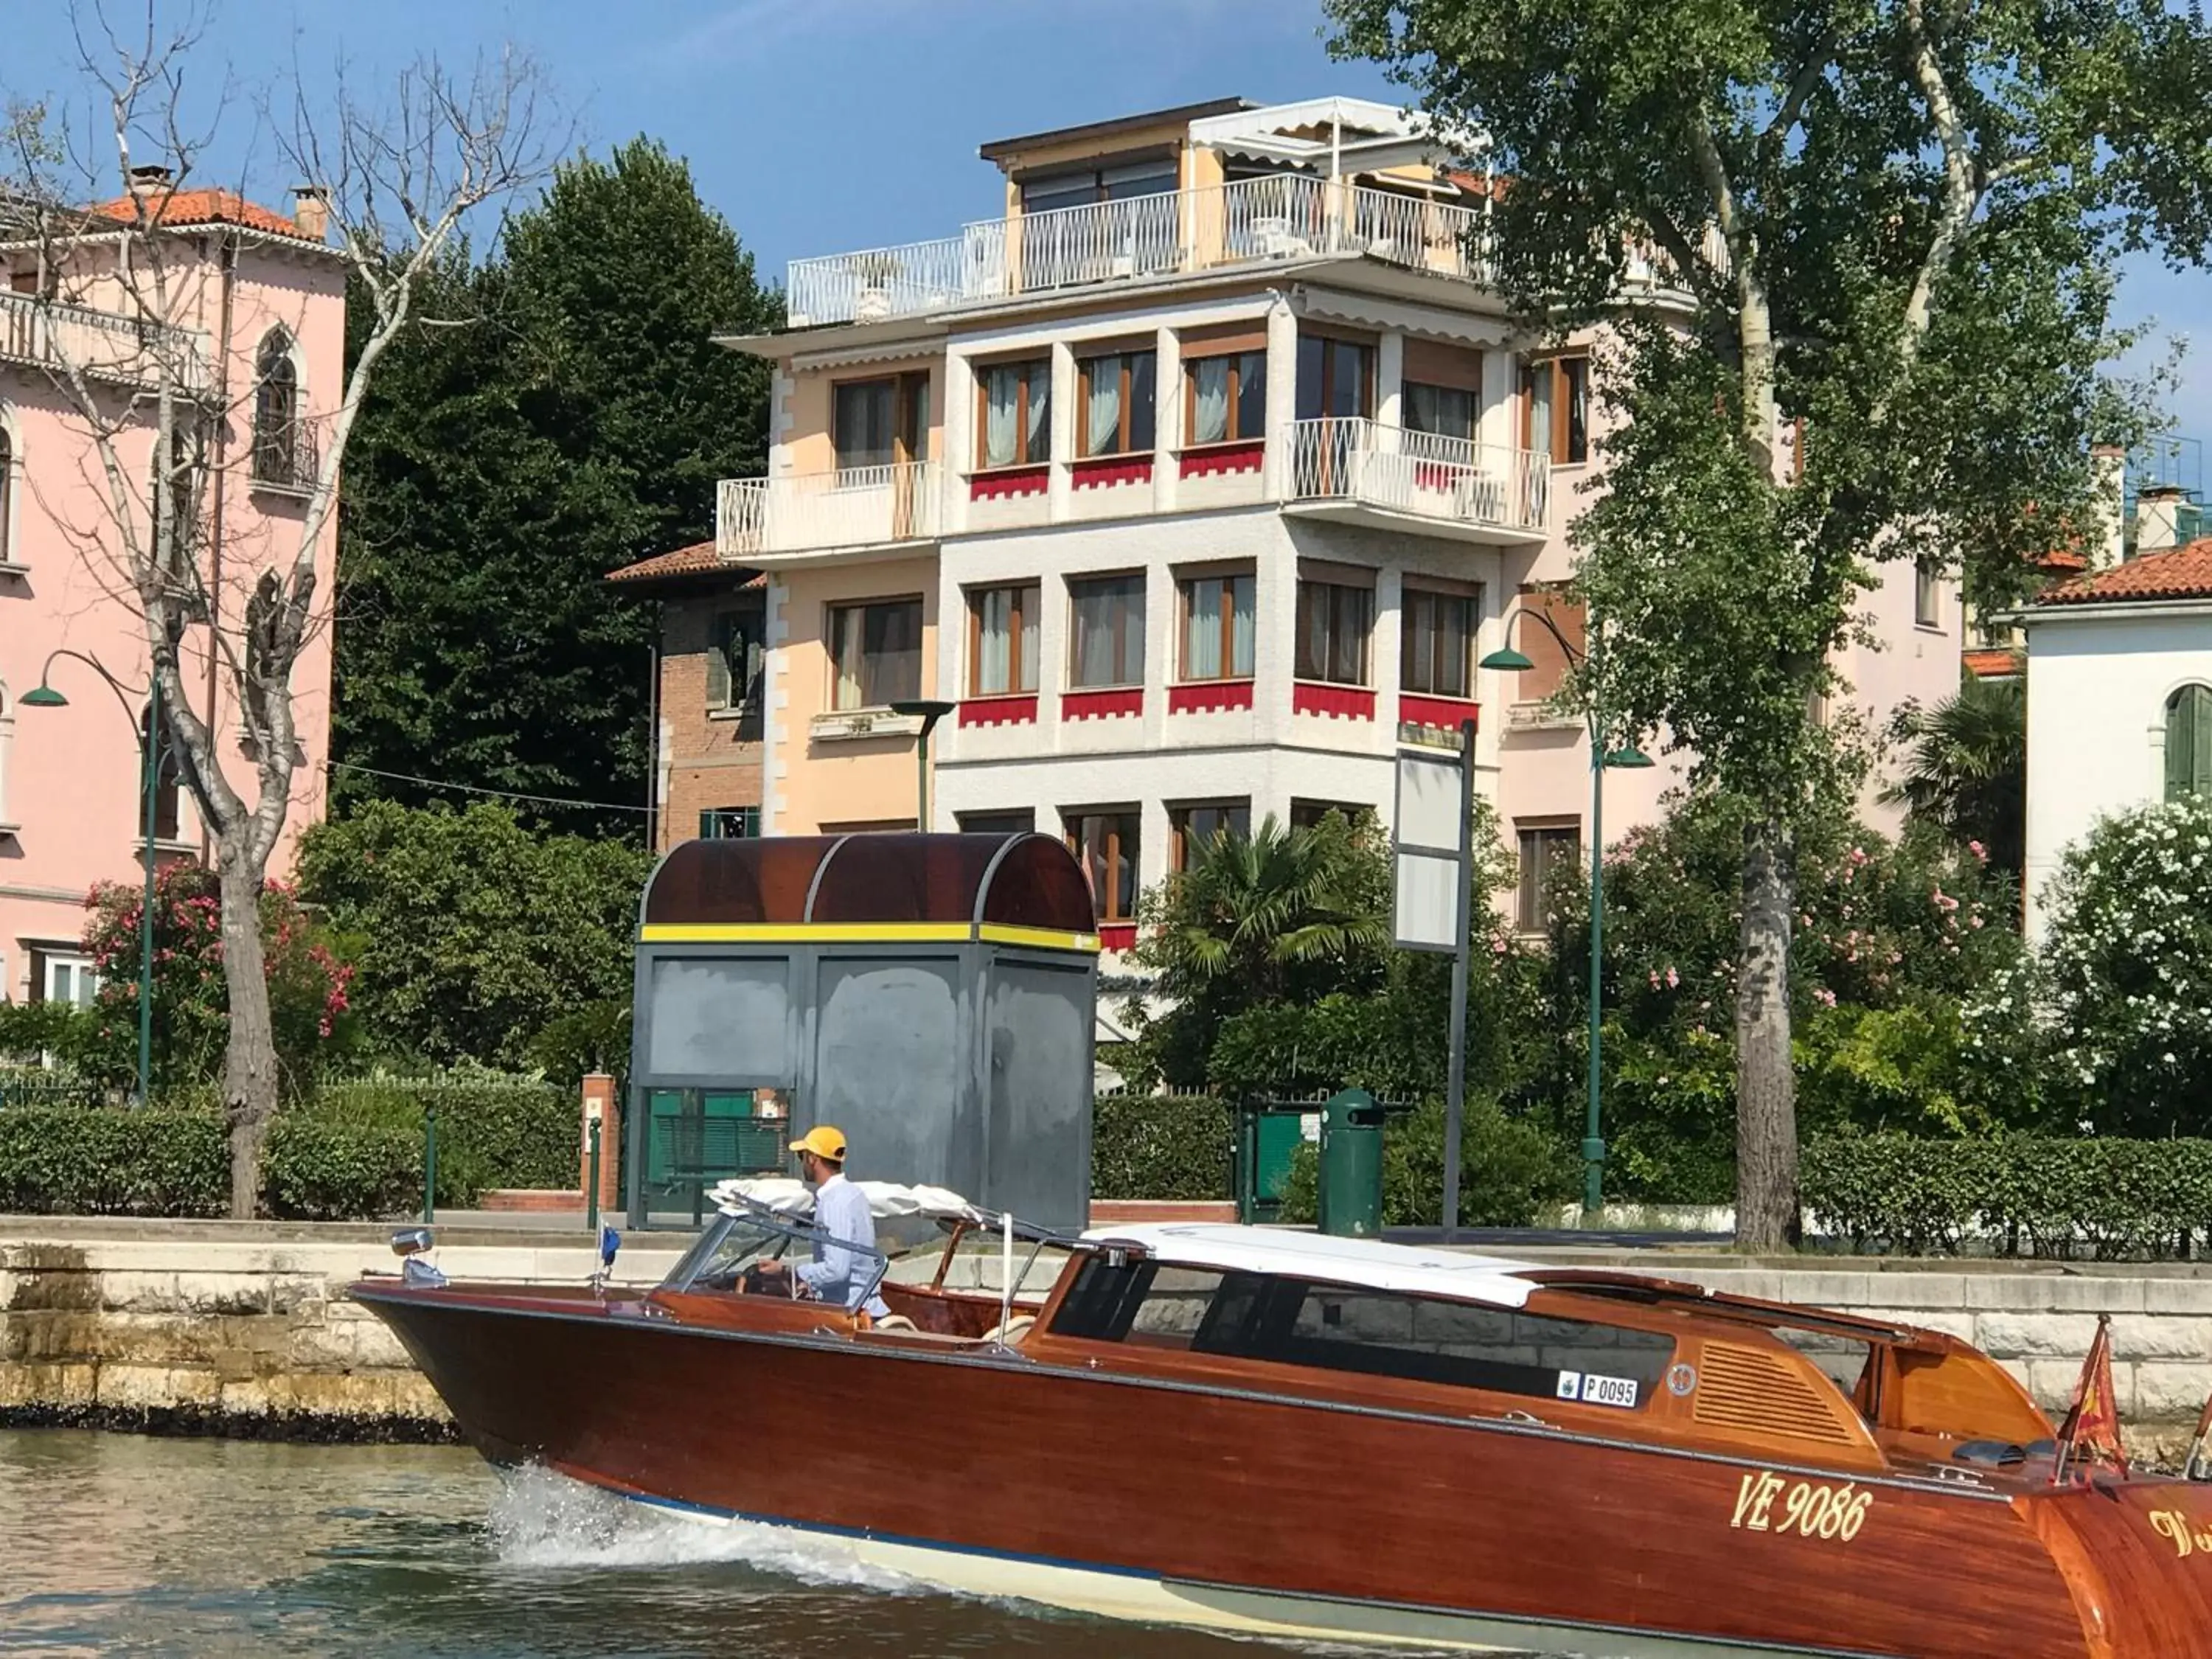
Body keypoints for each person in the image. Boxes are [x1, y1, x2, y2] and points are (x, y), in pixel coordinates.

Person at [753, 1124, 891, 1320]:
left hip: (850, 1314)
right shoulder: (853, 1194)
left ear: (812, 1158)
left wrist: (788, 1271)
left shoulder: (835, 1203)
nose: (802, 1163)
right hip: (859, 1306)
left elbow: (837, 1269)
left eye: (802, 1156)